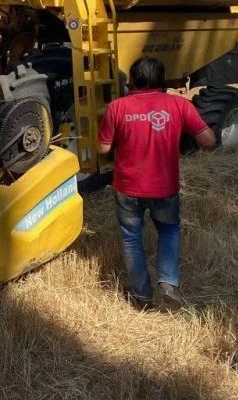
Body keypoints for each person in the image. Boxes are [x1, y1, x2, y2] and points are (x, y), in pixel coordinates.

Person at [97, 57, 216, 308]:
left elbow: (103, 147)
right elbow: (208, 141)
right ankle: (168, 284)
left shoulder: (116, 107)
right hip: (165, 187)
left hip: (128, 187)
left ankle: (141, 295)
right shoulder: (178, 105)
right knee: (169, 230)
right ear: (161, 79)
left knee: (132, 238)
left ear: (132, 79)